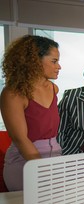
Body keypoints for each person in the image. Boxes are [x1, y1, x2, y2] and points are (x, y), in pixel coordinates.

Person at [0, 35, 62, 191]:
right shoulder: (13, 93)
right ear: (34, 61)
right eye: (54, 61)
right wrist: (43, 170)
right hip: (24, 161)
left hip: (54, 158)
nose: (59, 67)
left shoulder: (53, 89)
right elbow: (20, 139)